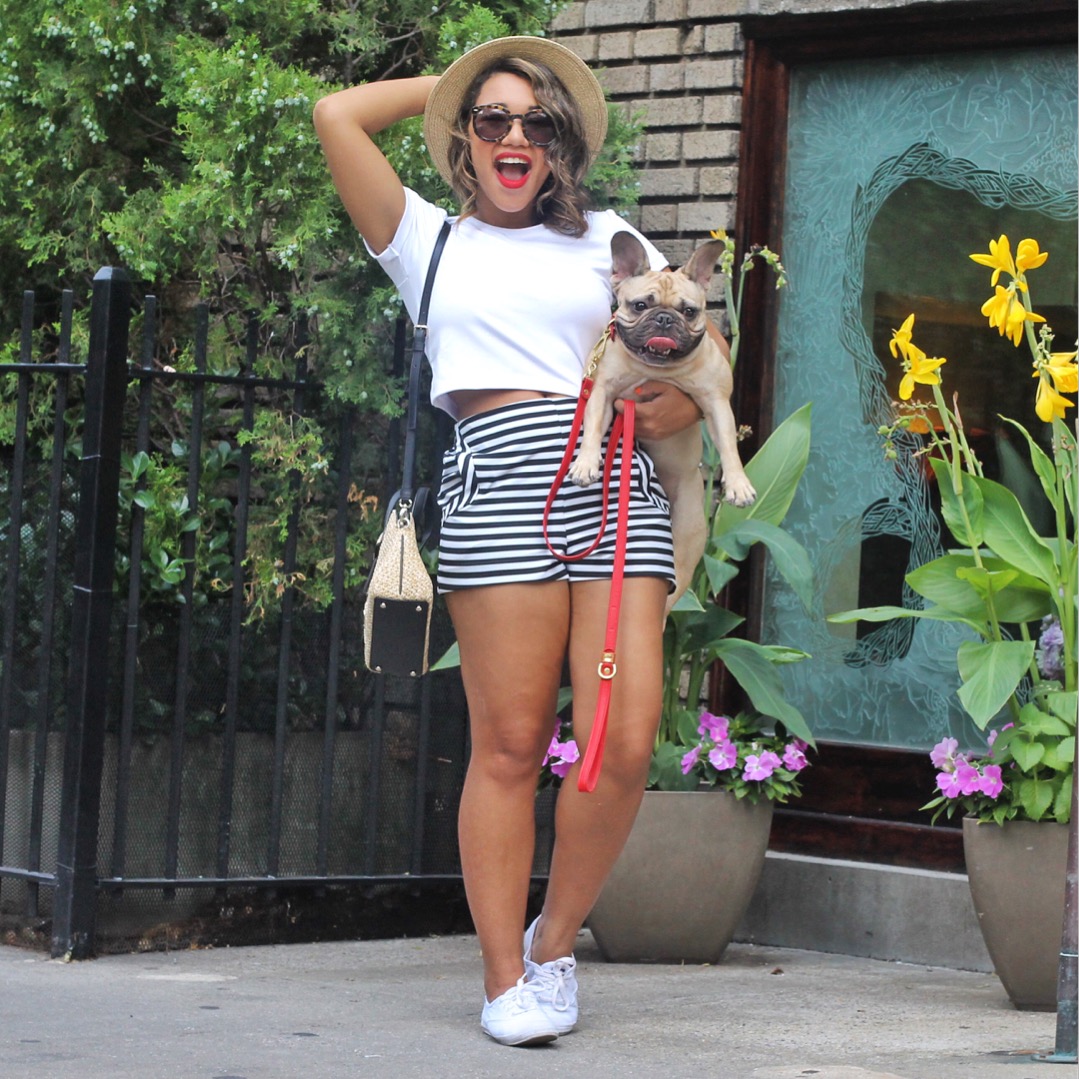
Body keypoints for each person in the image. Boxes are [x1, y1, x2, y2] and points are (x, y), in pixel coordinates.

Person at [313, 35, 715, 1046]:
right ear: (464, 136)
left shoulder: (609, 236)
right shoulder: (425, 238)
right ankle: (503, 977)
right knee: (508, 741)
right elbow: (336, 115)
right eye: (490, 119)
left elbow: (681, 342)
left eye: (536, 122)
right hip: (498, 481)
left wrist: (672, 408)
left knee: (621, 740)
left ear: (559, 145)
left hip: (611, 477)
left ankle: (554, 941)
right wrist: (457, 81)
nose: (512, 137)